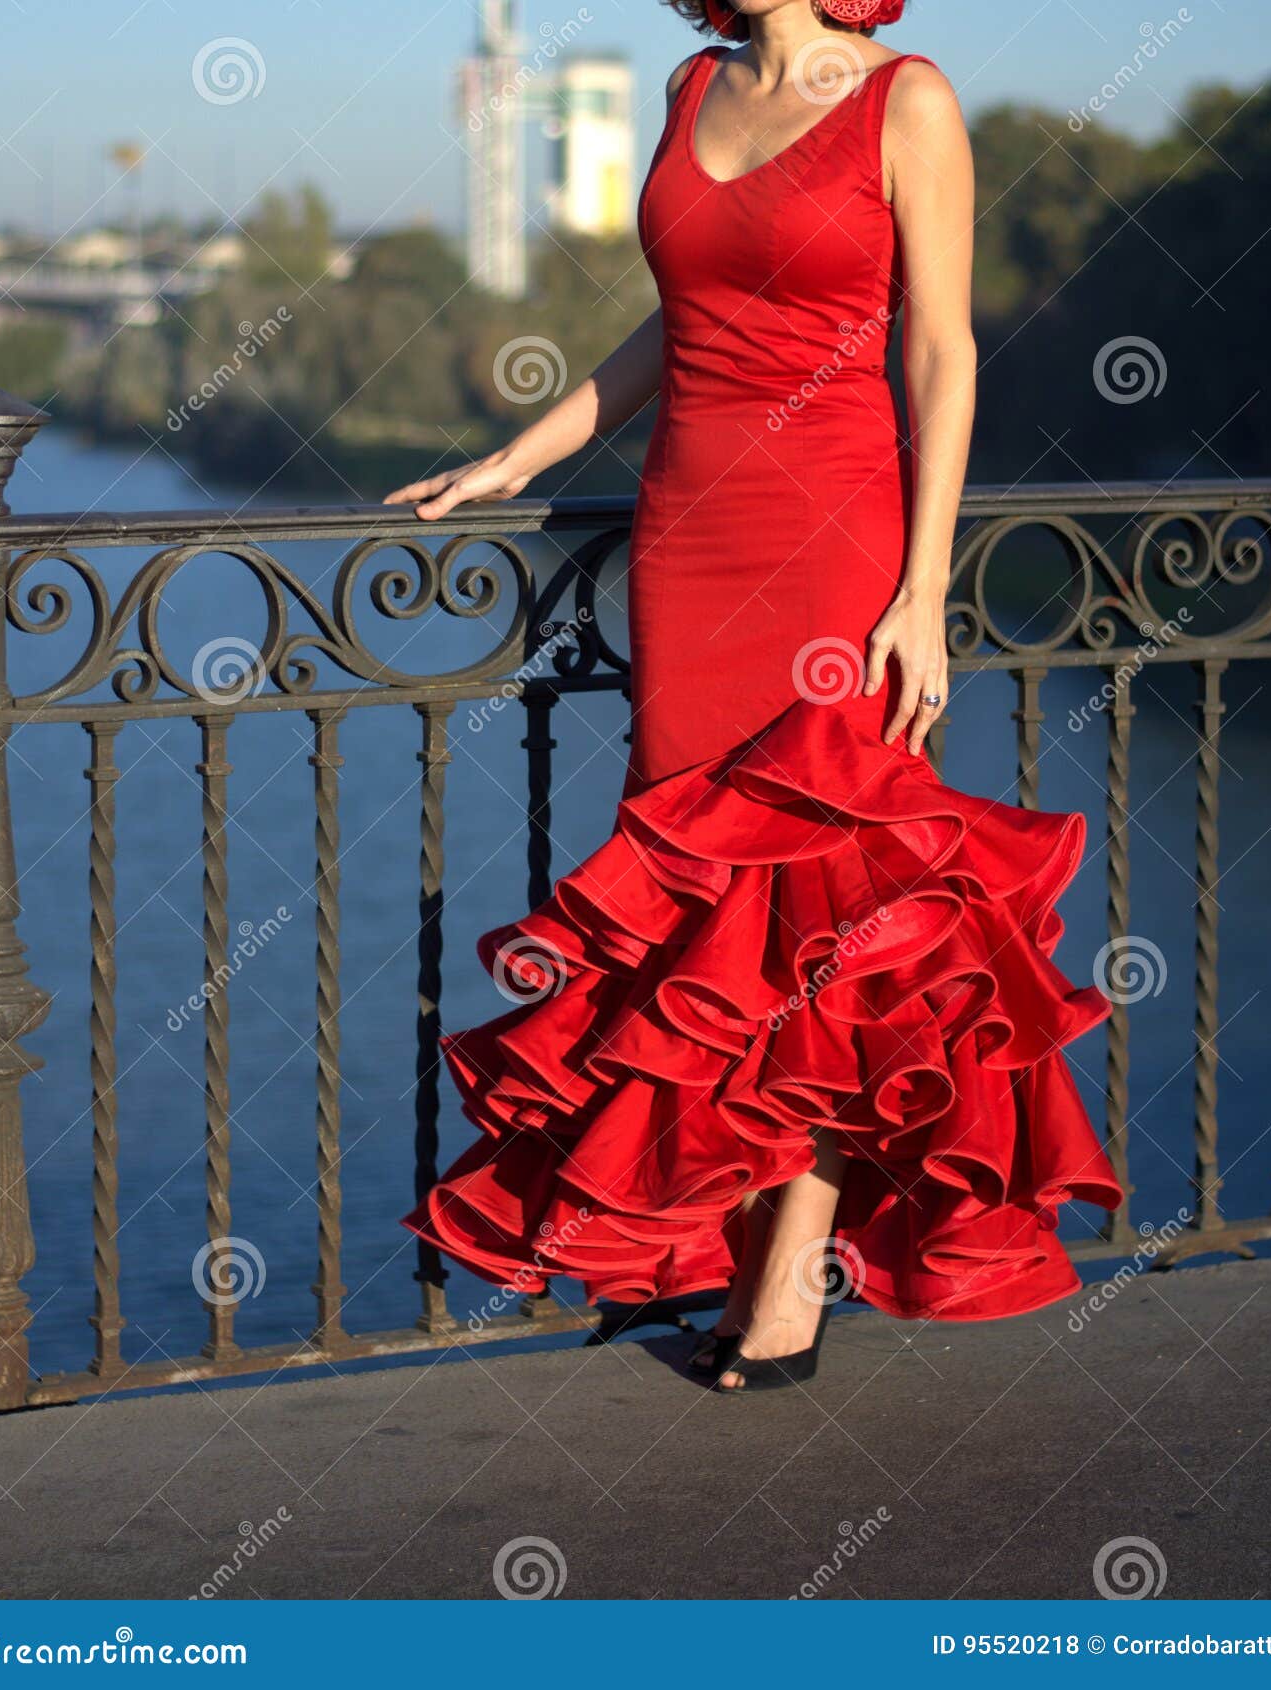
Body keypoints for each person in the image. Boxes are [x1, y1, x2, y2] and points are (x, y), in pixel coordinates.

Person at [388, 0, 1121, 1394]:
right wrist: (517, 454)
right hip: (686, 537)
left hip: (833, 536)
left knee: (827, 910)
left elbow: (940, 352)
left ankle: (790, 1272)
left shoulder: (907, 99)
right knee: (706, 910)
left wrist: (921, 589)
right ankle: (717, 1238)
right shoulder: (689, 82)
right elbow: (676, 326)